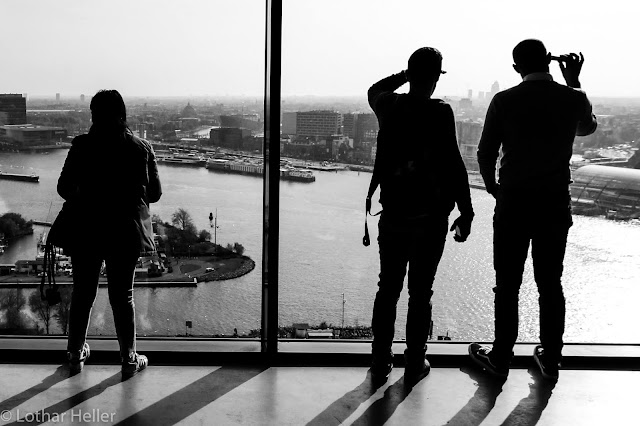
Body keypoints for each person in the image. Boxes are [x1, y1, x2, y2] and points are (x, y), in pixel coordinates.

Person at [469, 39, 597, 381]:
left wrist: (494, 188)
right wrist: (574, 81)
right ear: (549, 61)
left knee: (507, 284)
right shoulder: (573, 98)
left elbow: (485, 152)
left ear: (516, 68)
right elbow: (587, 128)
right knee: (550, 283)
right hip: (554, 202)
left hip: (513, 201)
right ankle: (551, 359)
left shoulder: (504, 100)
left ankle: (500, 357)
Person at [367, 47, 475, 384]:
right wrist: (467, 209)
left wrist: (405, 75)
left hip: (394, 214)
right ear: (436, 78)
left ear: (411, 74)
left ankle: (380, 359)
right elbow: (454, 163)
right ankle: (414, 360)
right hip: (430, 219)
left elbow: (375, 89)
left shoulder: (389, 106)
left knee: (388, 289)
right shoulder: (440, 111)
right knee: (420, 293)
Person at [58, 89, 162, 377]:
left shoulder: (81, 146)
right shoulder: (141, 148)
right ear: (122, 115)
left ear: (94, 115)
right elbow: (155, 194)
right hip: (124, 231)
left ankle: (75, 354)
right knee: (122, 296)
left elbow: (63, 188)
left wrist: (87, 196)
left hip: (87, 228)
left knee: (83, 293)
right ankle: (129, 358)